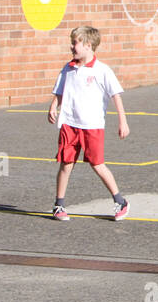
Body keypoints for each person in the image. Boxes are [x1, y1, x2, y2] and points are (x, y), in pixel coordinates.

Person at [48, 25, 131, 221]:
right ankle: (59, 205)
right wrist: (53, 106)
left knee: (97, 164)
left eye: (75, 43)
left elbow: (115, 95)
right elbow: (60, 90)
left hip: (92, 126)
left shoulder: (102, 70)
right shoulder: (68, 68)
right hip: (69, 124)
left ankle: (120, 201)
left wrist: (123, 121)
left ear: (87, 45)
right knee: (66, 164)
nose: (71, 47)